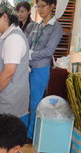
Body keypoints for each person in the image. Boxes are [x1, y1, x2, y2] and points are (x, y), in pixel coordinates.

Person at [0, 0, 30, 127]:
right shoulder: (4, 36)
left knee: (6, 139)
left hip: (9, 98)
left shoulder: (14, 38)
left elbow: (9, 72)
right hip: (2, 95)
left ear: (4, 17)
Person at [27, 0, 63, 141]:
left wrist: (31, 54)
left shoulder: (56, 27)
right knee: (24, 102)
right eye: (38, 7)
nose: (40, 10)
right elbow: (27, 43)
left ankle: (30, 136)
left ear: (52, 6)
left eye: (43, 6)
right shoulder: (36, 25)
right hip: (27, 68)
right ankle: (23, 131)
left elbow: (49, 51)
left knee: (35, 103)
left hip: (40, 68)